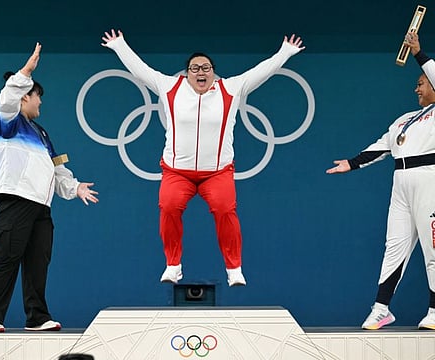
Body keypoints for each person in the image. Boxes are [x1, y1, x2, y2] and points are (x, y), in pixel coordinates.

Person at [101, 29, 305, 286]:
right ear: (186, 74)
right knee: (169, 206)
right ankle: (173, 265)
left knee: (225, 210)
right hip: (177, 172)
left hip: (217, 173)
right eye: (195, 68)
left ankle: (234, 268)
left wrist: (285, 52)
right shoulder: (169, 87)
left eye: (206, 68)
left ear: (213, 72)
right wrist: (119, 45)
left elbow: (261, 71)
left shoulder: (231, 89)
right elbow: (140, 69)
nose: (201, 72)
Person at [0, 43, 99, 333]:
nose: (40, 103)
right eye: (37, 98)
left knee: (37, 262)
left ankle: (37, 317)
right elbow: (7, 98)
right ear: (23, 97)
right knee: (7, 257)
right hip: (11, 200)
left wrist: (75, 187)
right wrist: (25, 73)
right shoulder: (5, 120)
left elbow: (57, 168)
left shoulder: (41, 133)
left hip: (39, 206)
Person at [326, 32, 435, 330]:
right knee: (394, 246)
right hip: (401, 182)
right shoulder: (405, 119)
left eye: (421, 83)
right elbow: (382, 145)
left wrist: (418, 54)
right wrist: (352, 163)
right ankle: (381, 308)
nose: (417, 88)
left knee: (433, 247)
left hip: (430, 180)